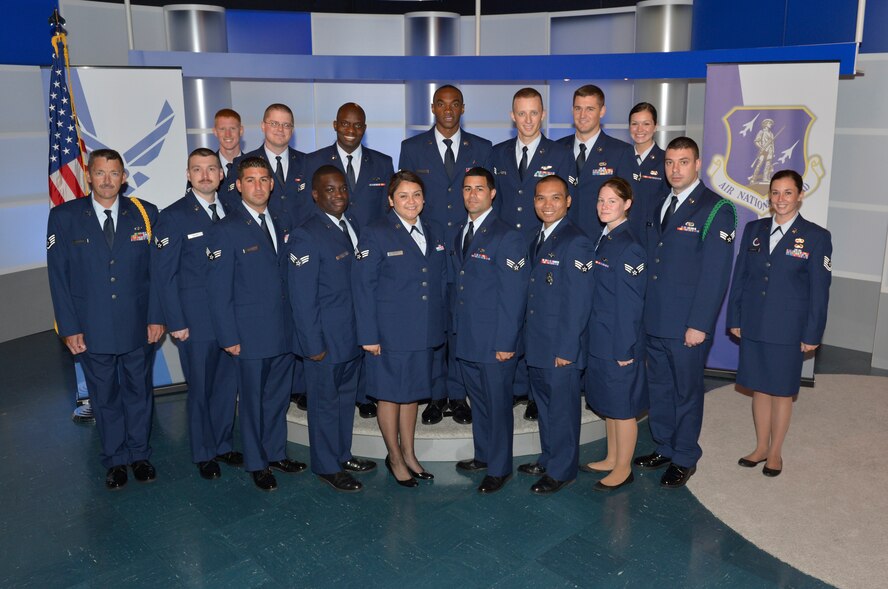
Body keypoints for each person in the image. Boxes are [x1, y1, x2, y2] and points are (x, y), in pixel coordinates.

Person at [46, 148, 164, 490]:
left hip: (138, 324)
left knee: (139, 392)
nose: (107, 180)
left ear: (124, 177)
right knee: (105, 396)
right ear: (88, 176)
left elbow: (157, 274)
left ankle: (140, 455)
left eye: (115, 173)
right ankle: (115, 460)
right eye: (100, 173)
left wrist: (157, 317)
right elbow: (59, 277)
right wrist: (70, 328)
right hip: (91, 326)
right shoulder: (65, 217)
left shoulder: (145, 213)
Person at [634, 137, 737, 489]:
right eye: (670, 162)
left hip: (686, 325)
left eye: (683, 162)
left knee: (686, 392)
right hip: (657, 318)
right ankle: (663, 445)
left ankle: (685, 456)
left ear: (697, 164)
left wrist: (699, 325)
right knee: (659, 387)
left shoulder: (715, 209)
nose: (675, 169)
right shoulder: (662, 202)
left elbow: (715, 275)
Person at [206, 156, 306, 492]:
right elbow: (218, 291)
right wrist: (228, 336)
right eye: (250, 180)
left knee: (278, 398)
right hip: (247, 334)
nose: (258, 186)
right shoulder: (225, 230)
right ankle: (256, 462)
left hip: (282, 329)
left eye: (264, 179)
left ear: (272, 184)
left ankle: (276, 452)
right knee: (251, 401)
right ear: (237, 185)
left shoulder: (282, 220)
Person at [727, 169, 832, 477]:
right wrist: (735, 316)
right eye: (775, 193)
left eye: (788, 192)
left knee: (782, 390)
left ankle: (775, 453)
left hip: (789, 328)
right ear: (769, 196)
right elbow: (741, 277)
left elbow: (819, 291)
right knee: (759, 387)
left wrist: (813, 332)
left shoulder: (816, 237)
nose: (781, 199)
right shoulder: (754, 230)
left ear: (800, 195)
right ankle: (760, 446)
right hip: (755, 322)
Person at [399, 84, 493, 426]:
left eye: (455, 103)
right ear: (433, 108)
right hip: (430, 252)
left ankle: (458, 394)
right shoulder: (411, 148)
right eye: (442, 103)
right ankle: (436, 395)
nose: (448, 109)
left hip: (471, 250)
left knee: (461, 325)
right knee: (435, 324)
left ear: (463, 107)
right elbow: (405, 199)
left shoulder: (482, 148)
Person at [352, 171, 447, 487]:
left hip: (421, 333)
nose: (412, 201)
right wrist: (368, 335)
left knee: (412, 397)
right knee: (390, 397)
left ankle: (409, 452)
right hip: (388, 335)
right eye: (404, 195)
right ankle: (394, 456)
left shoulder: (431, 231)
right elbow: (363, 287)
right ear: (391, 200)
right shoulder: (375, 232)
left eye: (417, 194)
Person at [153, 148, 242, 480]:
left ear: (221, 175)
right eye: (197, 169)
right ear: (188, 175)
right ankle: (204, 452)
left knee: (225, 385)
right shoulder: (174, 216)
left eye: (211, 169)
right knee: (201, 388)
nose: (205, 175)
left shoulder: (233, 211)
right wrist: (176, 322)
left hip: (231, 320)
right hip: (196, 321)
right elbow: (165, 275)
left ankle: (222, 443)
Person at [287, 165, 377, 492]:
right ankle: (326, 466)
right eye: (330, 190)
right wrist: (312, 344)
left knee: (344, 401)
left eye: (342, 189)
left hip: (351, 337)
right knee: (324, 405)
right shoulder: (306, 234)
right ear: (315, 195)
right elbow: (302, 297)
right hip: (324, 340)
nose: (338, 195)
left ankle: (342, 454)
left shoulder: (349, 224)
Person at [305, 102, 395, 419]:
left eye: (358, 125)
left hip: (370, 255)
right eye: (345, 123)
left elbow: (388, 214)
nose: (351, 130)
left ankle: (363, 392)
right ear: (334, 124)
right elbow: (309, 211)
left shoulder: (383, 163)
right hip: (329, 256)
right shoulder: (314, 161)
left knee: (366, 326)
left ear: (365, 128)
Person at [491, 87, 574, 418]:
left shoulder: (561, 153)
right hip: (507, 251)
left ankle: (537, 394)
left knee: (541, 317)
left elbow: (570, 203)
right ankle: (516, 386)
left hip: (546, 247)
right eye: (521, 113)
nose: (527, 119)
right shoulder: (495, 154)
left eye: (533, 113)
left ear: (543, 115)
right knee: (511, 314)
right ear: (513, 116)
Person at [225, 103, 310, 413]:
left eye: (286, 124)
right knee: (255, 396)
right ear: (262, 126)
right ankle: (259, 456)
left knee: (278, 391)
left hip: (290, 296)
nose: (280, 129)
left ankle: (278, 448)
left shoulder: (306, 165)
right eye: (274, 124)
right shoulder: (243, 169)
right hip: (250, 314)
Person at [451, 167, 529, 494]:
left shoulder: (507, 235)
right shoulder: (460, 231)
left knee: (497, 407)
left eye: (479, 189)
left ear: (492, 193)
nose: (472, 195)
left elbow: (514, 295)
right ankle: (483, 455)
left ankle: (499, 468)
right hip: (468, 337)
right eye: (467, 189)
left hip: (495, 341)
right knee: (479, 404)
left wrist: (506, 342)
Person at [519, 175, 594, 494]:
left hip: (560, 346)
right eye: (540, 198)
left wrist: (567, 348)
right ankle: (550, 457)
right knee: (547, 407)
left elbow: (579, 303)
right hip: (538, 342)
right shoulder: (537, 236)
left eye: (554, 198)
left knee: (562, 410)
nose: (546, 205)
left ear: (568, 201)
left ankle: (563, 470)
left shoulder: (576, 240)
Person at [582, 178, 647, 491]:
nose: (604, 206)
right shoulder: (605, 237)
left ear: (627, 204)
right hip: (600, 335)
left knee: (622, 408)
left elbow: (630, 305)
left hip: (618, 339)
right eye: (600, 200)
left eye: (611, 201)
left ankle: (624, 467)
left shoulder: (629, 245)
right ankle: (611, 457)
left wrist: (625, 348)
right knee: (608, 401)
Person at [557, 84, 634, 239]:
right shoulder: (556, 148)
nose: (582, 115)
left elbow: (629, 206)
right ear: (572, 110)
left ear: (602, 111)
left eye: (590, 109)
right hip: (561, 242)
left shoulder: (620, 151)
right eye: (578, 108)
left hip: (602, 243)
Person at [626, 102, 669, 244]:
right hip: (623, 236)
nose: (639, 129)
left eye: (646, 124)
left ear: (655, 126)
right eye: (634, 124)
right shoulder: (620, 158)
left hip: (653, 238)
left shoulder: (666, 161)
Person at [213, 108, 244, 176]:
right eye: (222, 129)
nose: (228, 134)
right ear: (215, 132)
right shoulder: (206, 166)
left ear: (241, 131)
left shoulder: (253, 166)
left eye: (232, 128)